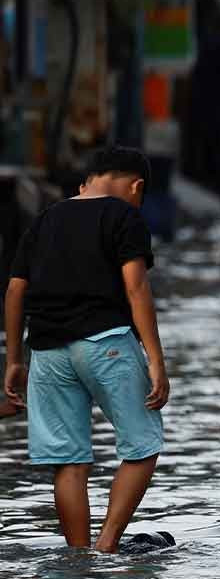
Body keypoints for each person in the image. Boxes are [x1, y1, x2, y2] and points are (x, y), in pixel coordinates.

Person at [3, 146, 170, 553]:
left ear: (85, 182)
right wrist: (156, 359)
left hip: (46, 351)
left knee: (70, 462)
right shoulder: (124, 215)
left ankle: (78, 559)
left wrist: (13, 360)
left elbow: (14, 292)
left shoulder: (44, 218)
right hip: (107, 343)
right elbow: (136, 287)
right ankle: (106, 545)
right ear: (137, 186)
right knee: (143, 445)